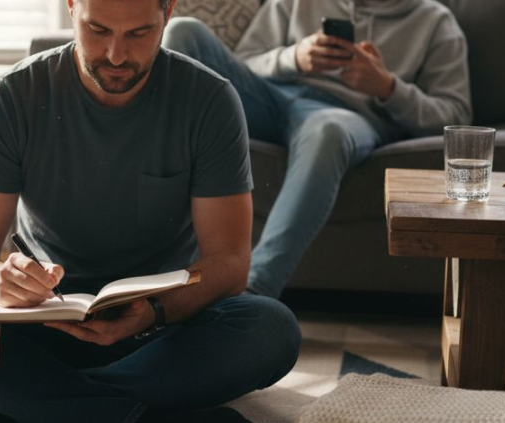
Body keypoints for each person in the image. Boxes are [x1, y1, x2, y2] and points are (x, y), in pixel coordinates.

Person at [0, 0, 302, 421]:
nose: (116, 55)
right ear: (70, 9)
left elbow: (230, 261)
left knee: (271, 329)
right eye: (97, 30)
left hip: (159, 332)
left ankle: (18, 403)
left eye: (138, 33)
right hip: (40, 323)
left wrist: (156, 311)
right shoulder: (13, 94)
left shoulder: (209, 100)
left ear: (168, 14)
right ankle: (137, 414)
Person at [163, 0, 472, 298]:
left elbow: (455, 115)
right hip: (271, 98)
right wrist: (293, 58)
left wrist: (388, 87)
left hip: (346, 115)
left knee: (328, 132)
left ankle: (253, 292)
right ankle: (154, 265)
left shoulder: (435, 21)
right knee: (183, 31)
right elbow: (245, 59)